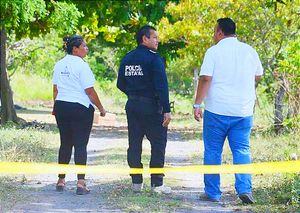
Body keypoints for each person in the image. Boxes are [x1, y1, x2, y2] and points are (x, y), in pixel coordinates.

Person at [193, 18, 263, 204]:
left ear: (220, 32)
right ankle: (245, 189)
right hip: (243, 111)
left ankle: (213, 192)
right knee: (241, 149)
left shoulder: (213, 52)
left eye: (215, 31)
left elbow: (206, 78)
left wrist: (197, 104)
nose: (214, 35)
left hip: (217, 110)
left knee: (213, 151)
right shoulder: (250, 51)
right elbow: (258, 75)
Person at [117, 25, 172, 194]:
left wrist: (134, 94)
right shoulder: (154, 59)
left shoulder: (127, 58)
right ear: (145, 39)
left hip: (132, 106)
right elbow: (162, 86)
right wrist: (166, 109)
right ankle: (157, 184)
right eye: (154, 37)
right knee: (158, 144)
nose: (157, 40)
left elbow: (120, 84)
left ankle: (136, 183)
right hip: (151, 107)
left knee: (134, 144)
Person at [52, 35, 106, 195]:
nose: (87, 49)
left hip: (62, 106)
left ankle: (61, 180)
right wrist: (101, 108)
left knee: (65, 143)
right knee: (81, 144)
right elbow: (89, 91)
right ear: (75, 49)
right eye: (84, 46)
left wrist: (55, 105)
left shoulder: (59, 64)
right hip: (80, 108)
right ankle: (81, 183)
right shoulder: (82, 66)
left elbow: (56, 89)